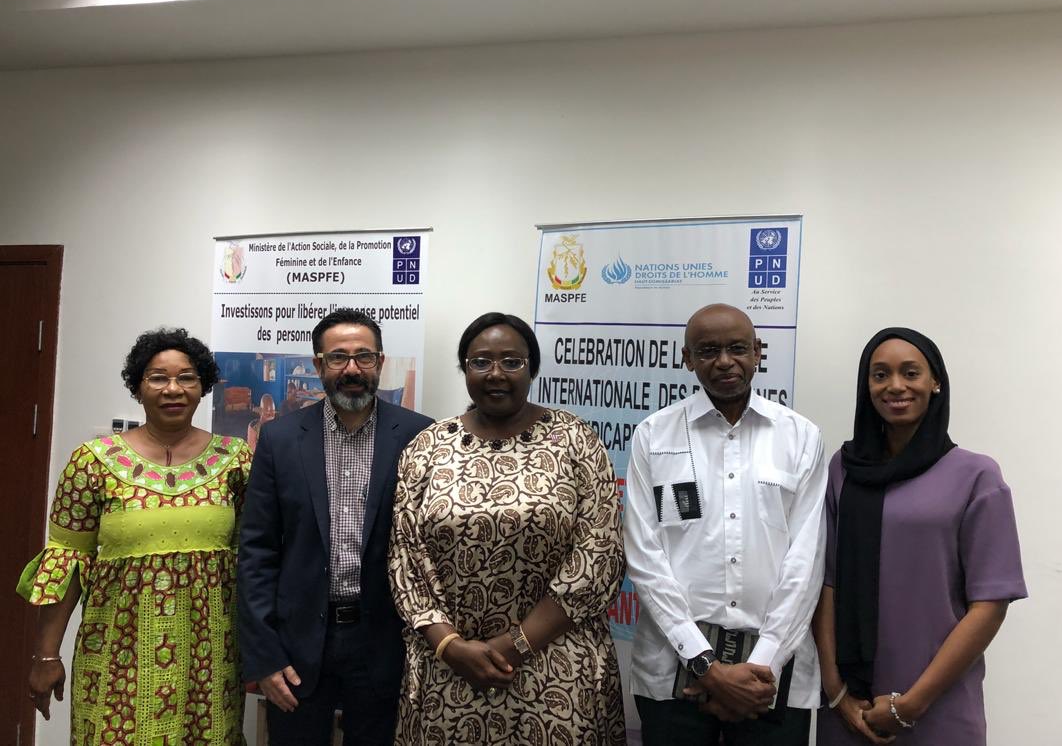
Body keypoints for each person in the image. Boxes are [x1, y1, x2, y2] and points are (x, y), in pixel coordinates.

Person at [389, 312, 626, 745]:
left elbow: (599, 553)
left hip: (556, 667)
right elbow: (405, 559)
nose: (495, 373)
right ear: (464, 369)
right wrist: (452, 648)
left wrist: (514, 645)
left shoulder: (574, 440)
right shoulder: (427, 447)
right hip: (451, 670)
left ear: (532, 368)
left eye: (511, 362)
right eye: (480, 362)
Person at [17, 327, 251, 744]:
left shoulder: (236, 460)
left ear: (204, 387)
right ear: (137, 387)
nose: (173, 389)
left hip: (211, 657)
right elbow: (65, 563)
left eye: (187, 378)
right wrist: (46, 655)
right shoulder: (93, 462)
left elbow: (256, 560)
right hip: (116, 655)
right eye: (158, 377)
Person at [624, 303, 827, 746]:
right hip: (673, 670)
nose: (724, 362)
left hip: (772, 674)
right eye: (708, 350)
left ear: (758, 352)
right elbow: (644, 556)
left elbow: (805, 562)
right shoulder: (654, 435)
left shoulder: (800, 437)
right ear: (686, 358)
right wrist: (707, 667)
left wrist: (762, 666)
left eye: (737, 348)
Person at [813, 328, 1026, 745]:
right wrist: (836, 690)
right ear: (866, 386)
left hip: (937, 706)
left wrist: (909, 706)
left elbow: (990, 604)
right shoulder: (845, 469)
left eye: (910, 373)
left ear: (935, 382)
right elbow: (827, 583)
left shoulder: (976, 476)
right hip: (848, 709)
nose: (895, 386)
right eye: (880, 375)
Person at [237, 308, 432, 746]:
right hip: (299, 642)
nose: (352, 369)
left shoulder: (420, 436)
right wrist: (264, 657)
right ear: (318, 364)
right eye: (338, 357)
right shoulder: (280, 439)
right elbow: (257, 551)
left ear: (380, 363)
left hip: (384, 642)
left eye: (364, 357)